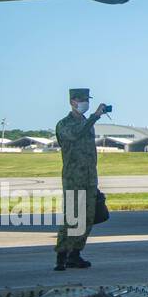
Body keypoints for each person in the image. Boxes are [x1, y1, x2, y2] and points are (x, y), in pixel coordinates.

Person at [53, 88, 105, 271]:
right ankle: (61, 255)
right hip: (73, 178)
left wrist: (92, 118)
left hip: (89, 178)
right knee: (71, 218)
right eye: (82, 99)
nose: (85, 103)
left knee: (87, 218)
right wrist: (95, 116)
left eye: (87, 99)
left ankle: (75, 254)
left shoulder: (86, 122)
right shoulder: (64, 124)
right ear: (72, 101)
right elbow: (75, 134)